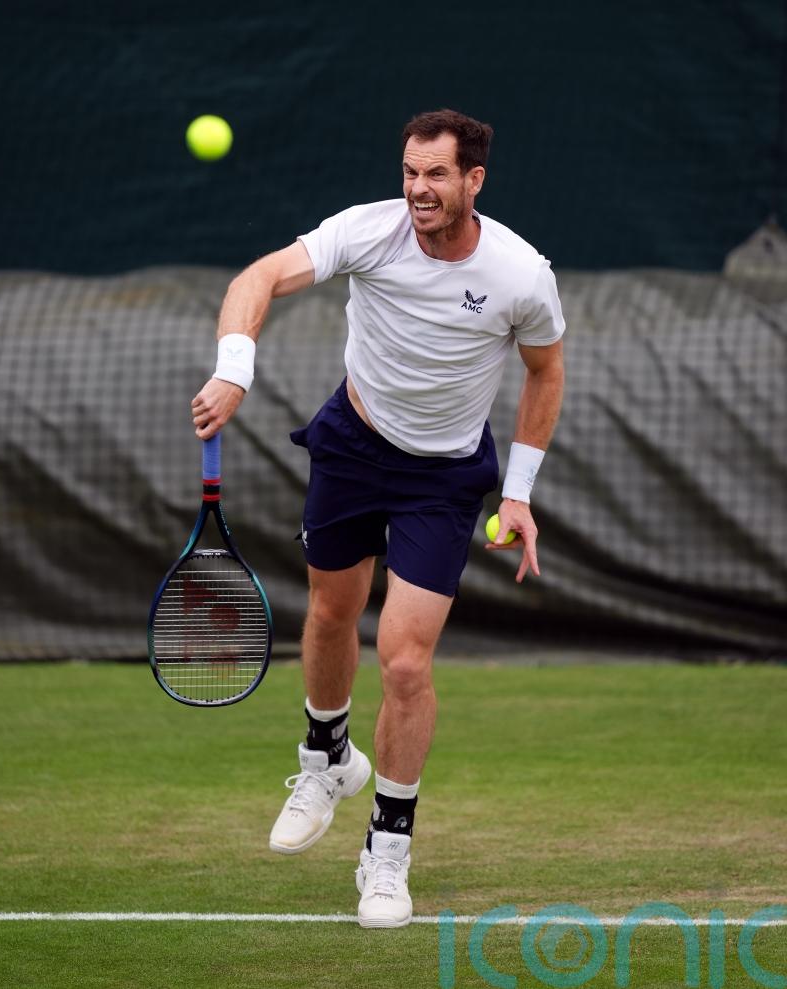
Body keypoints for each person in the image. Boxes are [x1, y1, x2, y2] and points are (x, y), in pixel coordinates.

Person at [191, 109, 565, 929]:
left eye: (436, 175)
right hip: (355, 445)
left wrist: (518, 492)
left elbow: (545, 372)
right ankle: (324, 758)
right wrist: (235, 370)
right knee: (329, 613)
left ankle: (387, 849)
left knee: (403, 663)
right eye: (409, 171)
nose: (418, 190)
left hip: (443, 478)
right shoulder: (368, 231)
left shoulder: (520, 274)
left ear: (474, 180)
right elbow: (256, 278)